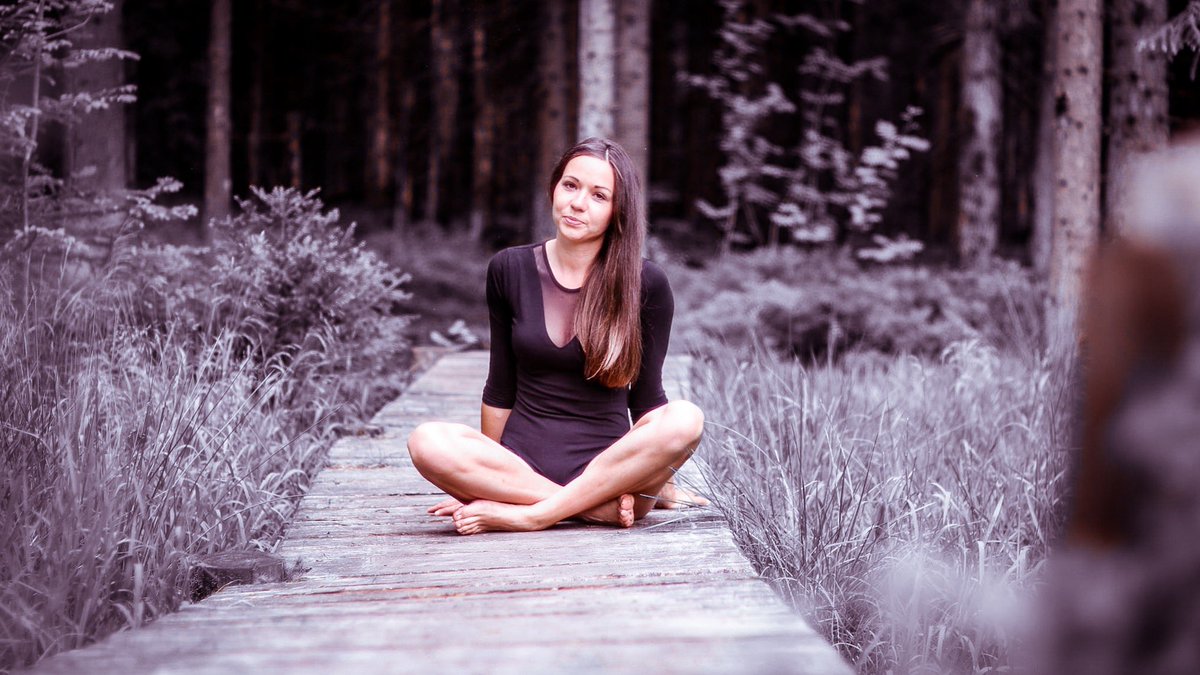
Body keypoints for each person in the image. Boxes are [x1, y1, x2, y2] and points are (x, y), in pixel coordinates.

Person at [407, 137, 707, 535]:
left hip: (612, 474)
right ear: (553, 188)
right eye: (570, 185)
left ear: (618, 211)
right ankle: (584, 510)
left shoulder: (645, 282)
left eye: (599, 195)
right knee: (426, 440)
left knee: (687, 418)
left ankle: (534, 513)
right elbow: (500, 387)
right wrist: (483, 475)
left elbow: (649, 399)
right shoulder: (508, 268)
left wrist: (657, 476)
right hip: (525, 466)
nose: (578, 203)